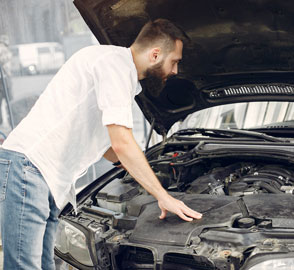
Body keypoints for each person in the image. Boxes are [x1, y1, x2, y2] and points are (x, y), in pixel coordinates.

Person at [0, 19, 202, 270]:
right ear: (155, 54)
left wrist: (130, 171)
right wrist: (163, 196)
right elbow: (121, 142)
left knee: (43, 265)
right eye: (175, 62)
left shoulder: (117, 69)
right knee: (22, 266)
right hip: (29, 168)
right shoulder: (114, 66)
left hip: (45, 176)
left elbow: (106, 142)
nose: (175, 71)